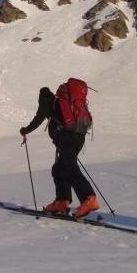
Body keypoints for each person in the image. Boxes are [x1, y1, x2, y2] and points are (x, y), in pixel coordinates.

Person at [20, 86, 99, 217]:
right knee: (59, 169)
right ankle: (62, 201)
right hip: (78, 138)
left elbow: (38, 119)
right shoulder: (60, 103)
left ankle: (89, 199)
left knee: (70, 168)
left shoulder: (47, 101)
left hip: (66, 138)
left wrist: (25, 130)